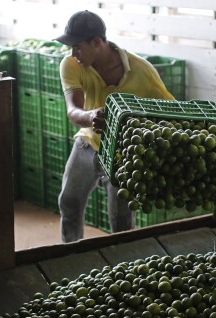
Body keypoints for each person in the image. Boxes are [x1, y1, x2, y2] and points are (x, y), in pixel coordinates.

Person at [54, 10, 175, 243]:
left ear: (97, 42)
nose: (73, 53)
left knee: (121, 220)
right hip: (87, 144)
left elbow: (168, 111)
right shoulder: (71, 65)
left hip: (124, 153)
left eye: (78, 46)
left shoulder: (143, 71)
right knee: (68, 203)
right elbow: (73, 110)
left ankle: (122, 266)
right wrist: (90, 116)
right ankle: (69, 253)